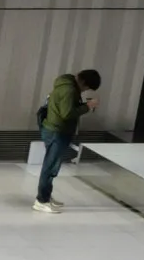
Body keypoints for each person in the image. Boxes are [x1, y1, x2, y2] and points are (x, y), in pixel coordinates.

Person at [34, 67, 101, 213]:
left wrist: (83, 106)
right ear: (83, 82)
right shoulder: (69, 90)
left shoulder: (66, 84)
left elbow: (66, 108)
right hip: (57, 131)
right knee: (51, 167)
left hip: (54, 129)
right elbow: (67, 113)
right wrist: (87, 107)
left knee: (51, 165)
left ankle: (46, 196)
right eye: (87, 88)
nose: (85, 91)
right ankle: (41, 201)